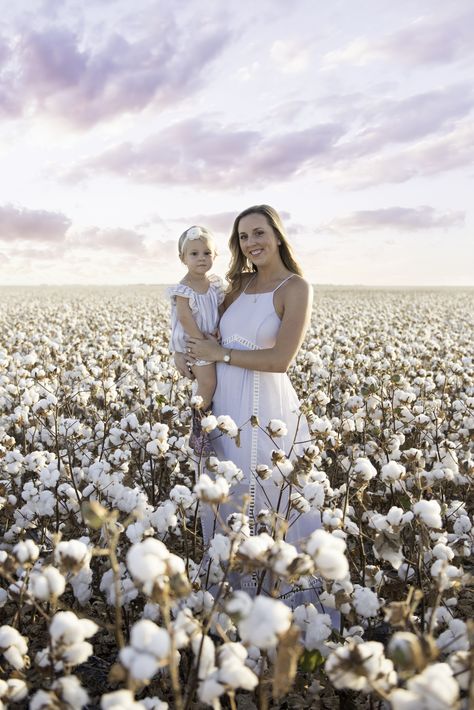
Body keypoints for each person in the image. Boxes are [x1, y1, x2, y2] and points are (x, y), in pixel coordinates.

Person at [182, 205, 322, 604]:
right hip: (225, 403)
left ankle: (281, 600)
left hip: (268, 408)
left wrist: (220, 354)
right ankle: (234, 600)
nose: (252, 243)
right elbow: (202, 326)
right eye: (243, 237)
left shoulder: (296, 288)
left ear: (276, 235)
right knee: (229, 494)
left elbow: (281, 360)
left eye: (258, 233)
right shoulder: (237, 285)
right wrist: (189, 354)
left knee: (269, 495)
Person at [169, 225, 225, 454]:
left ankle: (204, 427)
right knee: (207, 383)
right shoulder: (184, 288)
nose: (201, 258)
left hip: (209, 341)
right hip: (195, 343)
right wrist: (201, 340)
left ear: (215, 256)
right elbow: (184, 317)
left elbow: (220, 308)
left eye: (206, 253)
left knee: (211, 384)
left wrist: (220, 327)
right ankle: (198, 432)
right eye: (194, 254)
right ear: (182, 258)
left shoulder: (214, 284)